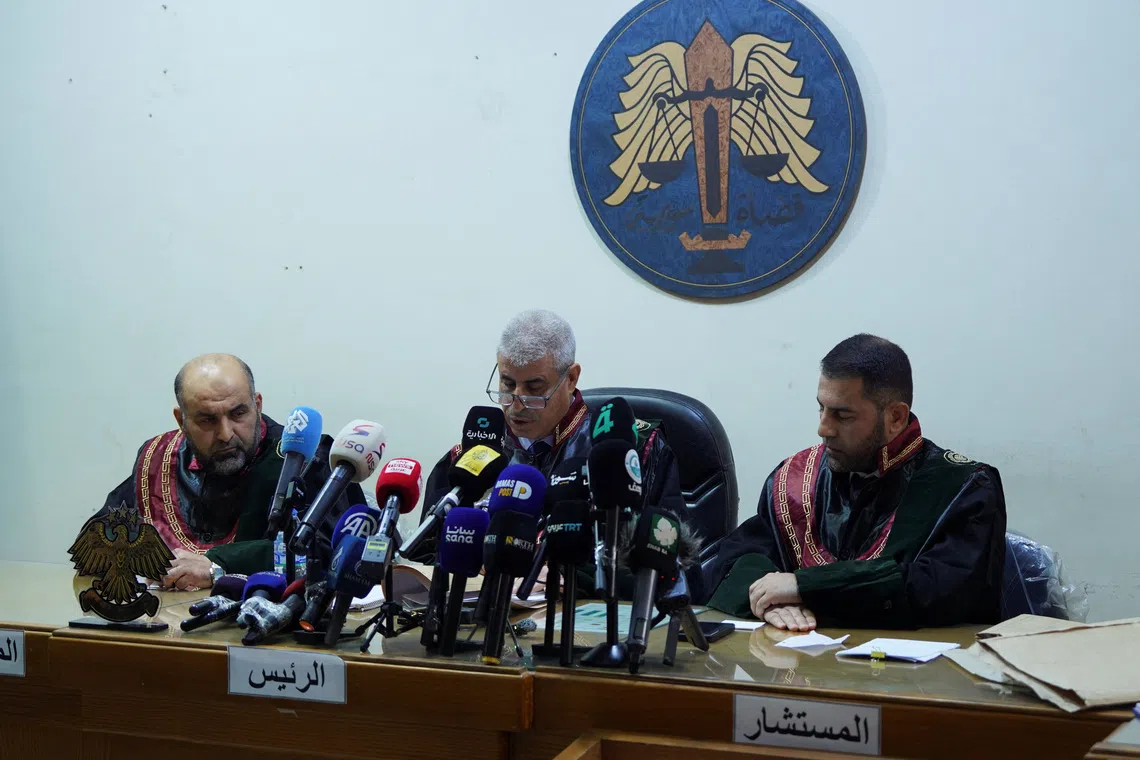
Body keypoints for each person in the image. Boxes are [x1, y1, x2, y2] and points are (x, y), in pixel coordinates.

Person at [702, 334, 1007, 631]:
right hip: (798, 668)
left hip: (915, 675)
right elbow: (732, 559)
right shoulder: (795, 478)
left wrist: (803, 586)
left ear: (896, 418)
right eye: (821, 408)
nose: (823, 429)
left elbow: (937, 588)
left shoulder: (965, 488)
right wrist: (773, 600)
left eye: (842, 416)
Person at [420, 309, 696, 597]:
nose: (516, 405)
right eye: (508, 384)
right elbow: (423, 557)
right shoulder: (473, 460)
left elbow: (680, 572)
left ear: (571, 378)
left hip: (581, 626)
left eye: (534, 388)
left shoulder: (632, 454)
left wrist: (576, 578)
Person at [88, 354, 364, 590]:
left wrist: (217, 565)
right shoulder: (158, 457)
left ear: (257, 404)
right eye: (207, 420)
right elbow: (95, 545)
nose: (225, 433)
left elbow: (331, 551)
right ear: (180, 420)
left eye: (238, 413)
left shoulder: (305, 460)